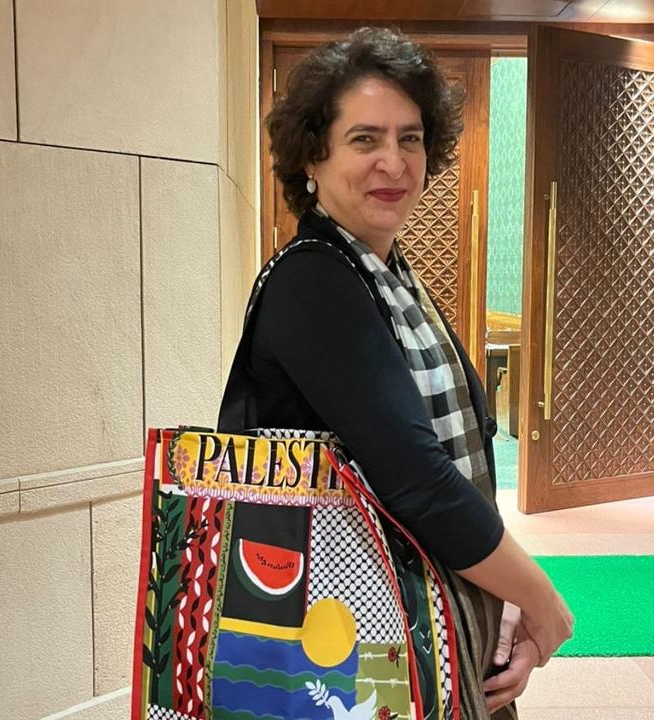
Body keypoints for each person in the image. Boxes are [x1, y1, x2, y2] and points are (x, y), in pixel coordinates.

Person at [232, 27, 573, 718]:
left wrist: (495, 591)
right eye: (365, 139)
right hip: (353, 638)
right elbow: (415, 478)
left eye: (410, 138)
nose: (393, 160)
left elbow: (457, 463)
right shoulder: (314, 283)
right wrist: (543, 601)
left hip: (428, 610)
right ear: (312, 159)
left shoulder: (389, 277)